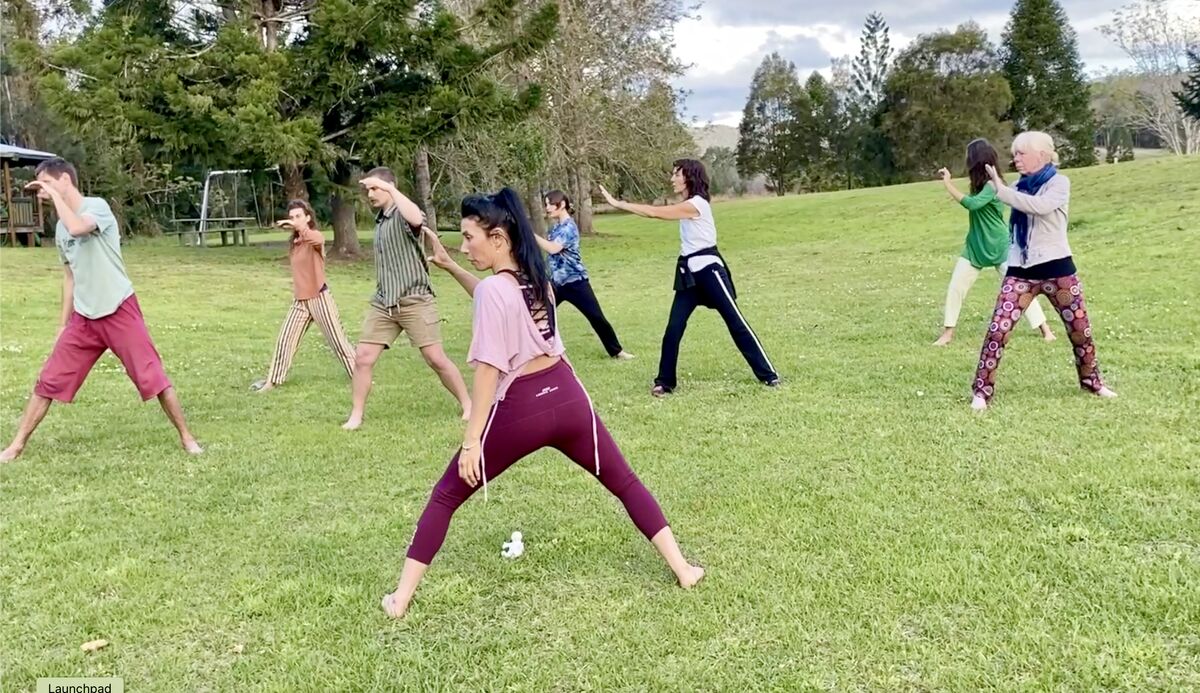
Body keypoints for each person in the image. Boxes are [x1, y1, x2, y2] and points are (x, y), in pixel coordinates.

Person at [380, 188, 704, 618]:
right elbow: (496, 297)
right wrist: (452, 266)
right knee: (624, 481)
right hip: (567, 397)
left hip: (522, 409)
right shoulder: (535, 277)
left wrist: (472, 440)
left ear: (498, 238)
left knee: (445, 496)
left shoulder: (500, 288)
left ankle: (399, 600)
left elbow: (488, 371)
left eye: (468, 237)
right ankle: (682, 568)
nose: (463, 245)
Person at [0, 158, 202, 462]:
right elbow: (70, 277)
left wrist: (54, 196)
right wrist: (62, 325)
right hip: (84, 318)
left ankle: (187, 437)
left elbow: (79, 227)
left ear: (65, 180)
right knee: (49, 380)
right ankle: (15, 446)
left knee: (153, 377)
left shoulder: (97, 207)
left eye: (47, 184)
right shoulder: (59, 230)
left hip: (119, 308)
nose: (42, 192)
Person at [598, 159, 779, 397]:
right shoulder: (688, 204)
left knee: (736, 323)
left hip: (710, 271)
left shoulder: (697, 204)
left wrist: (617, 202)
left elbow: (654, 213)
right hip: (689, 275)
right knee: (673, 328)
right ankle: (664, 382)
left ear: (689, 177)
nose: (672, 179)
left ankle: (769, 375)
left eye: (676, 174)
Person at [970, 131, 1118, 411]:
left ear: (1042, 155)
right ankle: (981, 392)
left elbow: (1039, 207)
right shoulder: (1017, 186)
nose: (1016, 159)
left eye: (1020, 154)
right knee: (997, 331)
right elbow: (1008, 200)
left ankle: (1092, 382)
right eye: (1013, 154)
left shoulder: (1059, 184)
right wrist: (999, 187)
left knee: (1080, 332)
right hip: (1020, 272)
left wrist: (1003, 190)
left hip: (1058, 270)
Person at [343, 167, 471, 429]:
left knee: (435, 358)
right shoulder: (380, 220)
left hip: (415, 300)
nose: (370, 194)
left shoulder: (403, 214)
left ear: (390, 187)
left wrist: (389, 188)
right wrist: (381, 187)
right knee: (363, 358)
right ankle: (356, 415)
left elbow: (416, 218)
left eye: (375, 188)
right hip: (384, 303)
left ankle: (468, 404)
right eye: (368, 190)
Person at [934, 139, 1055, 346]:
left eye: (968, 156)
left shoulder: (992, 184)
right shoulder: (981, 184)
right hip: (975, 247)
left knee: (1020, 290)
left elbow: (972, 205)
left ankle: (1046, 330)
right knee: (956, 287)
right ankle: (948, 333)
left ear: (976, 160)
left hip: (1000, 247)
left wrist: (947, 183)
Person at [250, 200, 356, 392]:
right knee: (285, 340)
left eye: (298, 216)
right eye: (291, 217)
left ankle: (360, 375)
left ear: (308, 217)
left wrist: (300, 228)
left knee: (338, 342)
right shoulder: (296, 242)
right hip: (300, 301)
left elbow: (318, 240)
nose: (294, 220)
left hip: (319, 298)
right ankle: (271, 382)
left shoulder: (314, 237)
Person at [535, 189, 634, 359]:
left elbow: (553, 248)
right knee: (539, 315)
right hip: (555, 284)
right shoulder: (556, 227)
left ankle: (617, 351)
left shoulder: (569, 227)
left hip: (575, 282)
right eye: (546, 205)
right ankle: (537, 351)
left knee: (596, 317)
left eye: (550, 204)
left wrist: (531, 236)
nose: (548, 208)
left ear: (562, 204)